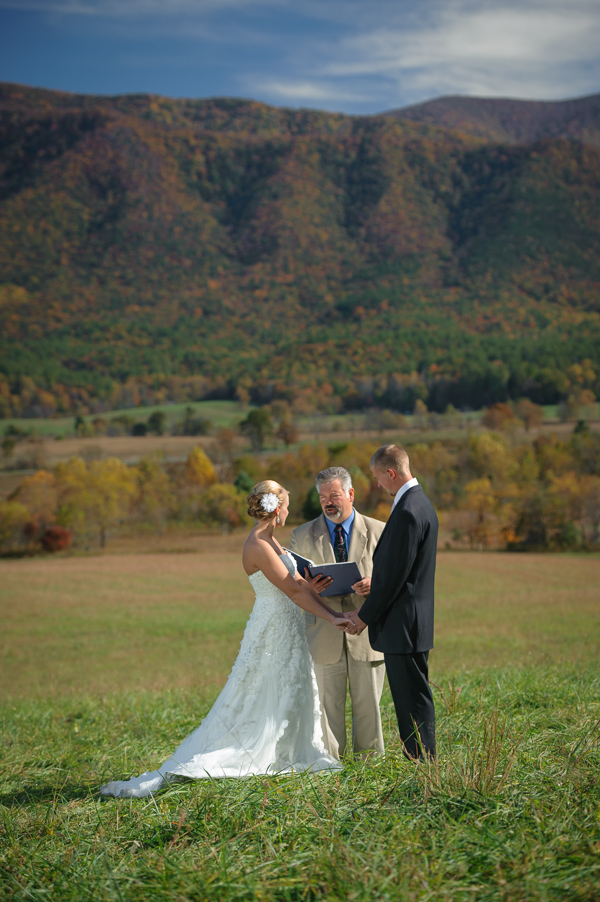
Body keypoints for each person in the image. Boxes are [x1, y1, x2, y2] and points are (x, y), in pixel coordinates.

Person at [100, 480, 353, 798]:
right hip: (272, 628)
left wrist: (322, 599)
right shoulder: (258, 545)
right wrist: (332, 618)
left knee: (290, 684)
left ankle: (289, 748)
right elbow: (291, 590)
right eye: (285, 505)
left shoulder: (273, 542)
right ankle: (251, 751)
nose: (288, 510)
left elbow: (300, 585)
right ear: (276, 509)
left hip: (287, 624)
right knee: (262, 689)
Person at [289, 467, 386, 760]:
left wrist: (376, 585)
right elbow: (294, 587)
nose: (328, 502)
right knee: (326, 709)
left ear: (351, 494)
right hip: (323, 633)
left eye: (334, 495)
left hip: (367, 632)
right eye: (322, 497)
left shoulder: (381, 531)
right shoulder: (301, 535)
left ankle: (371, 768)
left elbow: (395, 579)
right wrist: (311, 587)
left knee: (369, 705)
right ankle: (330, 766)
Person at [348, 446, 438, 759]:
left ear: (391, 473)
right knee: (412, 699)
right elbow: (403, 570)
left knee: (412, 702)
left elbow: (395, 579)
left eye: (377, 478)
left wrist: (363, 617)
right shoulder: (419, 503)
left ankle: (424, 769)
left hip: (404, 625)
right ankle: (423, 766)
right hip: (411, 623)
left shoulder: (409, 512)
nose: (377, 485)